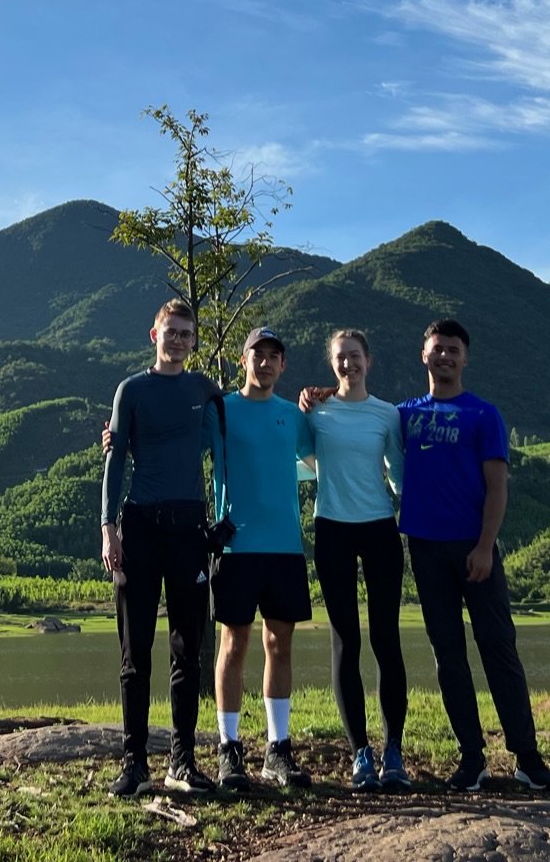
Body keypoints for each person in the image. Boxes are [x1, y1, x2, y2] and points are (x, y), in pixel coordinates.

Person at [399, 318, 550, 793]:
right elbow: (358, 413)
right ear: (422, 355)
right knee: (448, 656)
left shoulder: (483, 414)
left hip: (476, 549)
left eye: (453, 350)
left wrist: (486, 546)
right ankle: (472, 758)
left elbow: (497, 486)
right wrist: (319, 395)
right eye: (437, 349)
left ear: (464, 359)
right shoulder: (405, 414)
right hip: (425, 550)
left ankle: (528, 757)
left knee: (499, 651)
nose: (444, 356)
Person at [100, 298, 225, 799]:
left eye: (185, 333)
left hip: (189, 529)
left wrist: (314, 396)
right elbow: (114, 461)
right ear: (153, 336)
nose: (177, 340)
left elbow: (242, 416)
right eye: (169, 331)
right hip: (141, 527)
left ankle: (183, 760)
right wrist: (108, 527)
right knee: (135, 653)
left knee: (187, 652)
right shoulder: (131, 389)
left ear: (194, 340)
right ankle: (134, 764)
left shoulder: (203, 388)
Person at [298, 328, 411, 792]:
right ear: (332, 364)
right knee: (346, 642)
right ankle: (360, 753)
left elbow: (400, 475)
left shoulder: (387, 414)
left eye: (355, 356)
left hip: (381, 529)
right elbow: (299, 458)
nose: (349, 364)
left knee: (387, 639)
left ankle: (394, 753)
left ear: (369, 359)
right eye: (341, 358)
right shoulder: (317, 412)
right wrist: (307, 400)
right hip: (333, 531)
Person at [206, 326, 315, 791]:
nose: (266, 363)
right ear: (242, 360)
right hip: (236, 547)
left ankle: (278, 750)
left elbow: (321, 460)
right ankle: (229, 749)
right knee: (234, 644)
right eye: (258, 355)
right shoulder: (221, 411)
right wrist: (118, 435)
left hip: (286, 547)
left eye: (274, 356)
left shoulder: (293, 416)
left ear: (283, 365)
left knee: (280, 645)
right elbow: (175, 443)